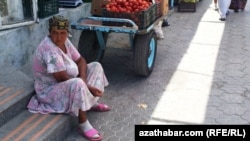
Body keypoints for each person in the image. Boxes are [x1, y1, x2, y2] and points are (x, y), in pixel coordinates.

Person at [27, 15, 110, 141]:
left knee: (95, 66)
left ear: (67, 33)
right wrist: (88, 87)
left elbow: (81, 60)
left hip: (68, 80)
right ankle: (83, 124)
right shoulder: (49, 49)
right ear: (50, 32)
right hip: (49, 90)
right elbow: (61, 78)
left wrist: (83, 78)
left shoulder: (65, 41)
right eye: (55, 33)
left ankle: (90, 102)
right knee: (77, 84)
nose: (59, 37)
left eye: (62, 33)